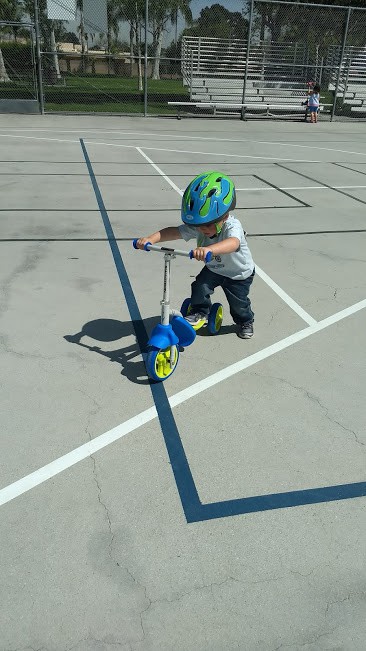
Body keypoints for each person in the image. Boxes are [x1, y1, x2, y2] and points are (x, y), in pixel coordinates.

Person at [135, 171, 255, 339]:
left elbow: (233, 243)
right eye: (199, 226)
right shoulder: (201, 226)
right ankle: (200, 312)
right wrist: (150, 239)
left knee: (239, 304)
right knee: (199, 286)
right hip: (215, 269)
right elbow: (175, 231)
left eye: (207, 226)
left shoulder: (232, 225)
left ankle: (245, 321)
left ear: (225, 215)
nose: (202, 230)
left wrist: (210, 250)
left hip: (238, 273)